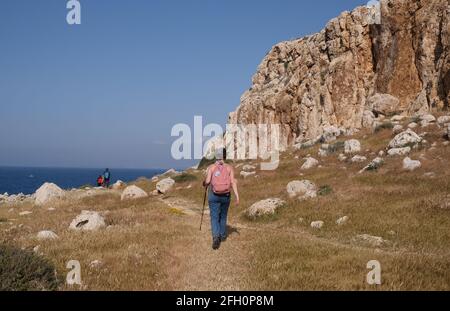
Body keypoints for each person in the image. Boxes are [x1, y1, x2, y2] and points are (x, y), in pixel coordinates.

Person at [203, 148, 239, 250]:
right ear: (224, 156)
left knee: (214, 216)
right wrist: (237, 196)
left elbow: (208, 181)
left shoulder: (212, 167)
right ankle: (223, 236)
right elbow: (233, 182)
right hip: (226, 196)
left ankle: (216, 237)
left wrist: (204, 183)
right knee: (223, 216)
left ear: (216, 156)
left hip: (214, 196)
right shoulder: (229, 168)